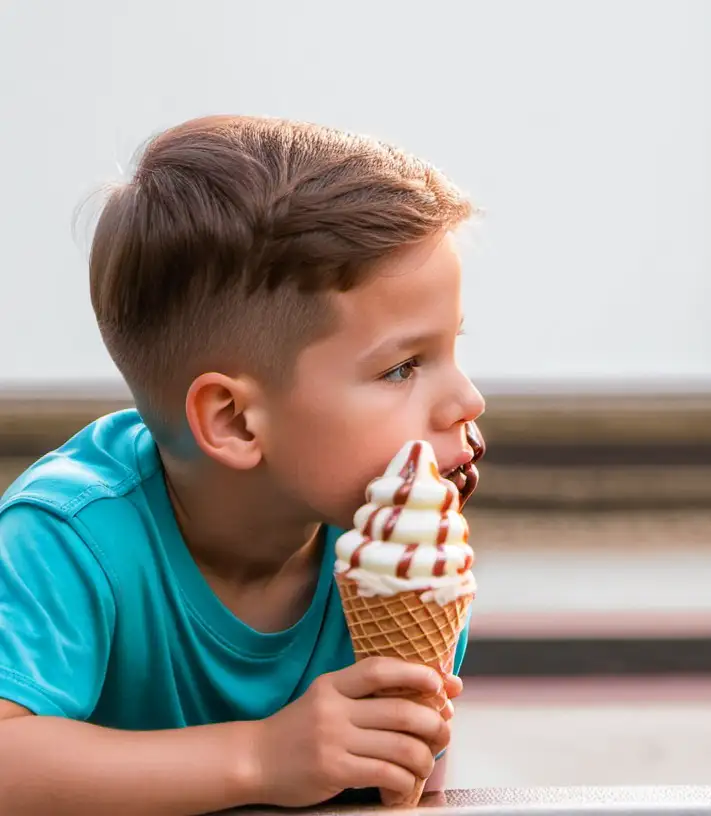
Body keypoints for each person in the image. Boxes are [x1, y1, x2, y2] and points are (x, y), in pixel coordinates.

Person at [0, 115, 488, 814]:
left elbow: (399, 795)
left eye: (453, 351)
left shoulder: (403, 569)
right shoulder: (67, 538)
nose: (467, 398)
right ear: (233, 421)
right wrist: (260, 757)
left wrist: (404, 748)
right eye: (403, 367)